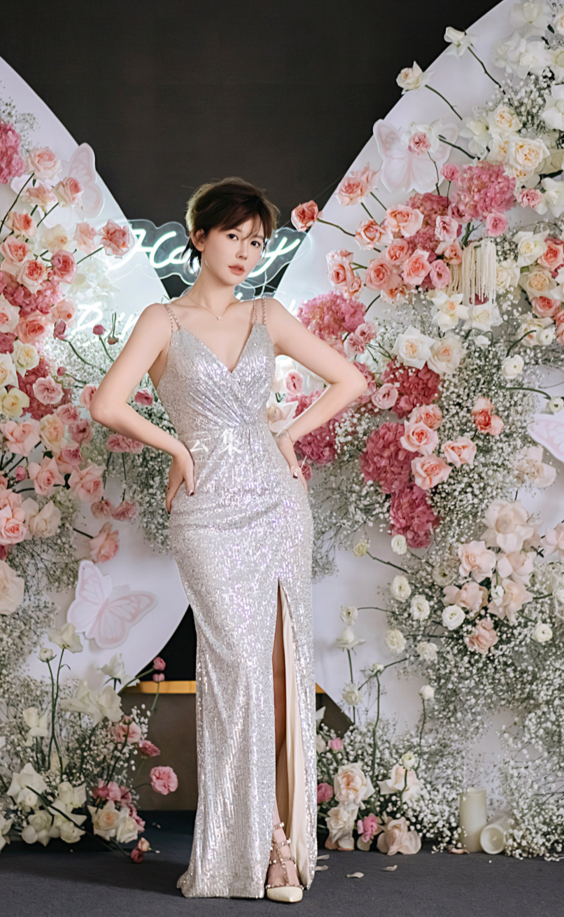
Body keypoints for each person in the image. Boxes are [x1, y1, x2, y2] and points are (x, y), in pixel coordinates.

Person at [89, 177, 367, 901]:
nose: (246, 251)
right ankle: (251, 844)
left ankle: (279, 845)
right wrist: (177, 449)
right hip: (207, 508)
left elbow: (350, 380)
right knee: (237, 666)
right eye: (233, 235)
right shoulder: (163, 320)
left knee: (278, 670)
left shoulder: (267, 314)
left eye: (257, 241)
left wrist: (289, 434)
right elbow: (107, 402)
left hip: (277, 504)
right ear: (200, 237)